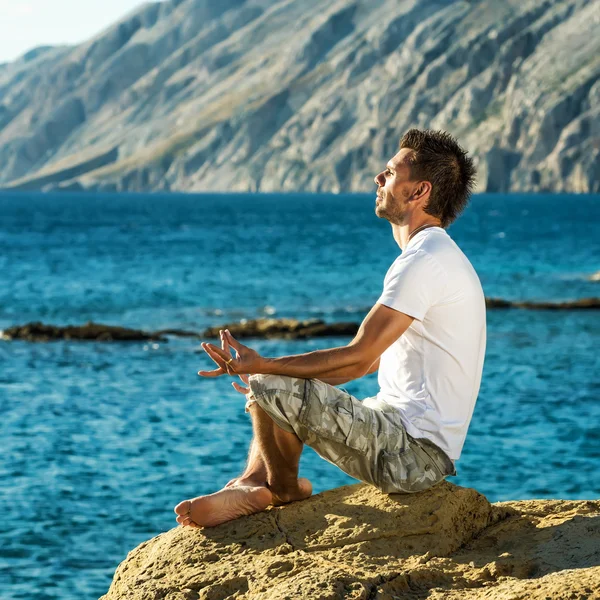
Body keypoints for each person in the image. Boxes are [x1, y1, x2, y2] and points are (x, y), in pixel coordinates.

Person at [174, 128, 486, 529]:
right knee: (269, 382)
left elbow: (357, 354)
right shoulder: (436, 255)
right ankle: (253, 482)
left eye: (390, 173)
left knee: (270, 379)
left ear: (418, 191)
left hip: (414, 456)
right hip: (406, 438)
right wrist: (266, 378)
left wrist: (265, 368)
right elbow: (365, 365)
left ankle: (281, 491)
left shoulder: (424, 260)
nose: (378, 178)